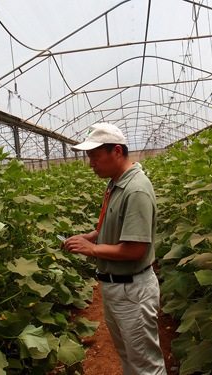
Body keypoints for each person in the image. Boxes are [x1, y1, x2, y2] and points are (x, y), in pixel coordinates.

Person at [62, 123, 167, 375]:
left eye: (94, 157)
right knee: (129, 358)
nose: (91, 164)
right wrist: (91, 235)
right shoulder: (115, 183)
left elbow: (135, 250)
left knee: (145, 365)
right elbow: (120, 225)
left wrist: (91, 249)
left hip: (132, 292)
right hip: (116, 288)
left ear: (117, 151)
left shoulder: (136, 189)